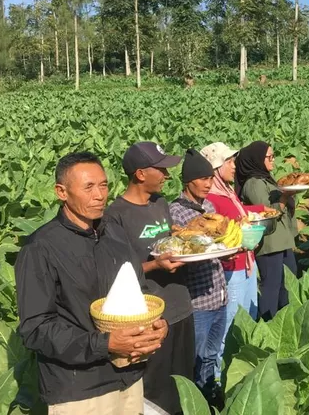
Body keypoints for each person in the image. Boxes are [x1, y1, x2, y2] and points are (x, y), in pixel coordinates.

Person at [15, 152, 168, 414]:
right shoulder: (41, 248)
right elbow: (36, 328)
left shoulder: (115, 234)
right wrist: (104, 344)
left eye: (104, 185)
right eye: (88, 187)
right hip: (79, 390)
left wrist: (155, 325)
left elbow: (139, 291)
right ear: (61, 192)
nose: (100, 195)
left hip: (129, 377)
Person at [103, 142, 195, 415]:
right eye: (161, 170)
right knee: (155, 391)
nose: (167, 176)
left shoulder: (161, 203)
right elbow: (118, 273)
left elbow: (165, 243)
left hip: (181, 305)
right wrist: (155, 264)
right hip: (150, 317)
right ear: (141, 174)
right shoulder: (116, 215)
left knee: (183, 383)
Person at [168, 149, 228, 399]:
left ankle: (208, 398)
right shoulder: (176, 212)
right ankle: (192, 402)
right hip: (198, 300)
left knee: (212, 355)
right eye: (202, 179)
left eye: (210, 178)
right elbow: (181, 251)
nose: (208, 184)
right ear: (187, 181)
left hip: (219, 294)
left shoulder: (210, 206)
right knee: (195, 356)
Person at [201, 143, 264, 339]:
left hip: (247, 263)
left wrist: (262, 209)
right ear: (216, 167)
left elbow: (241, 214)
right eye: (229, 162)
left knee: (248, 320)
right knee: (231, 327)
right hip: (231, 269)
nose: (234, 166)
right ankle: (225, 369)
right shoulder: (210, 199)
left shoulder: (227, 192)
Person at [235, 141, 298, 321]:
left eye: (273, 155)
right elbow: (266, 212)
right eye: (269, 157)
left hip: (282, 240)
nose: (273, 160)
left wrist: (289, 196)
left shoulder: (266, 179)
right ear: (257, 160)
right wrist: (284, 197)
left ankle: (285, 321)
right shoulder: (254, 183)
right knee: (271, 286)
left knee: (288, 283)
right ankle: (268, 324)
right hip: (270, 243)